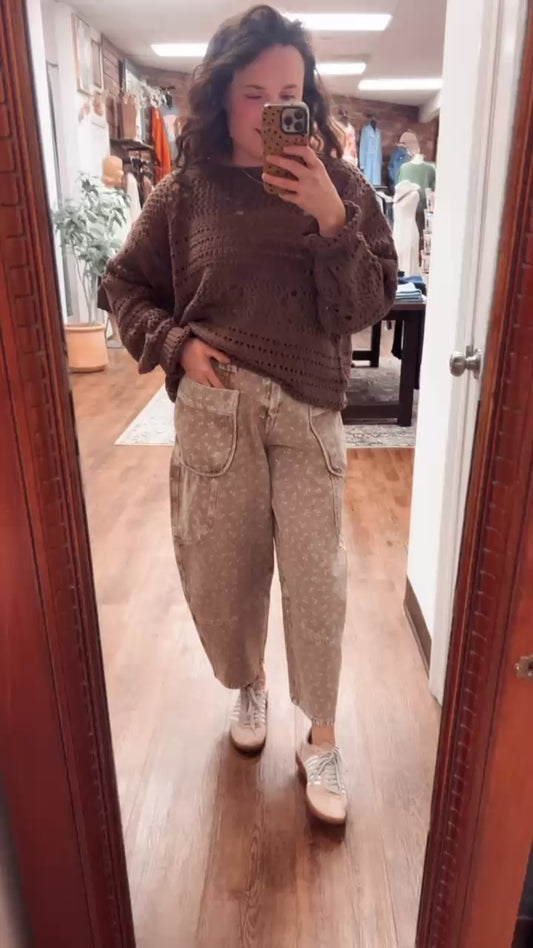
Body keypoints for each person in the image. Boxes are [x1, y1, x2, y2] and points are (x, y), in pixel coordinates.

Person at [101, 4, 397, 826]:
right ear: (223, 95)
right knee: (222, 569)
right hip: (217, 405)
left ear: (309, 99)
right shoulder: (183, 193)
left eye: (289, 95)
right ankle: (250, 684)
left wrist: (330, 219)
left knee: (316, 579)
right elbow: (123, 285)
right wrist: (178, 348)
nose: (272, 110)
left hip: (307, 411)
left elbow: (365, 305)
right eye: (254, 95)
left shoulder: (344, 188)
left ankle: (321, 736)